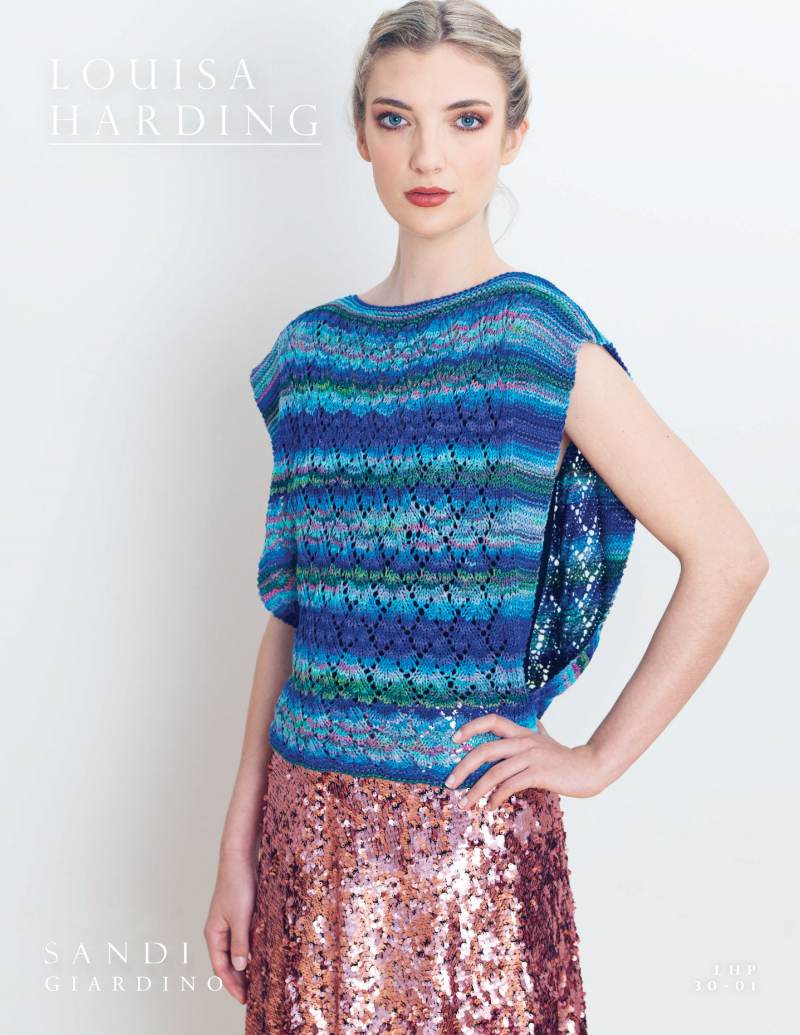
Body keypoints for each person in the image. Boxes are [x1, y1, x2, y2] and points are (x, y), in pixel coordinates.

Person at [204, 2, 769, 1031]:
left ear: (512, 135)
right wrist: (235, 848)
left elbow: (728, 554)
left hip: (468, 847)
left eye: (464, 119)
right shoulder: (309, 356)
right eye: (395, 119)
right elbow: (290, 619)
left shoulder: (532, 339)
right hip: (304, 839)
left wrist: (595, 758)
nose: (427, 154)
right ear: (361, 133)